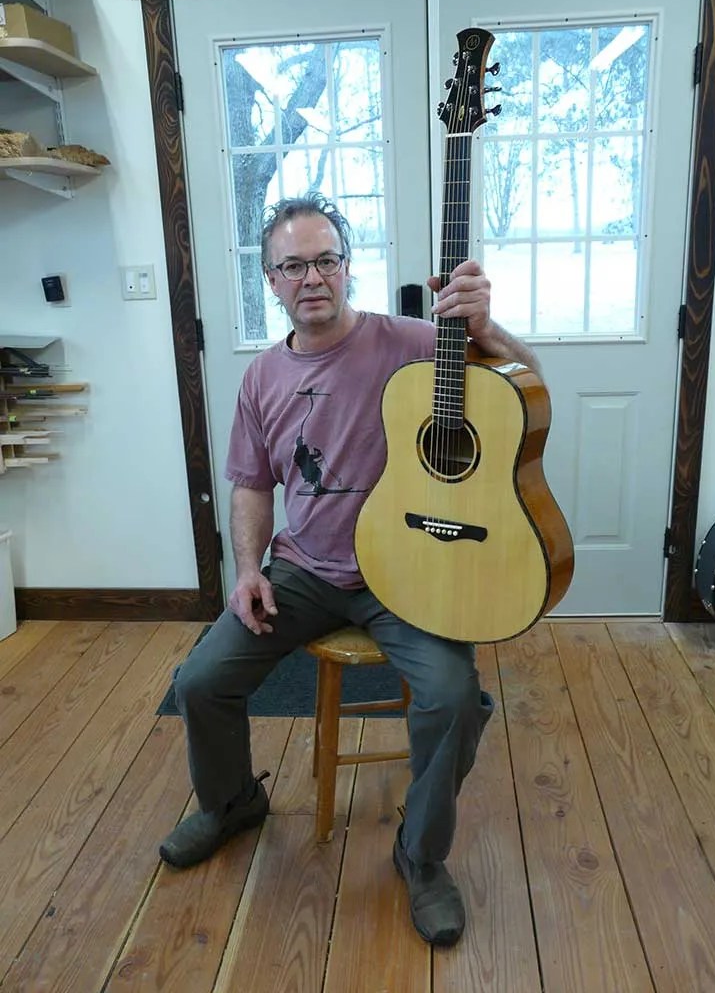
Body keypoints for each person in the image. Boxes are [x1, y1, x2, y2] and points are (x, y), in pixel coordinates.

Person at [159, 192, 542, 947]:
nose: (312, 277)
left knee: (452, 697)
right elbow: (250, 484)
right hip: (303, 570)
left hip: (408, 573)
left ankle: (421, 856)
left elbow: (529, 388)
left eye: (326, 260)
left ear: (347, 267)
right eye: (293, 266)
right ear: (271, 280)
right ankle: (233, 802)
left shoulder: (413, 341)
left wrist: (488, 330)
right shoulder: (262, 379)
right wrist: (248, 569)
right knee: (199, 681)